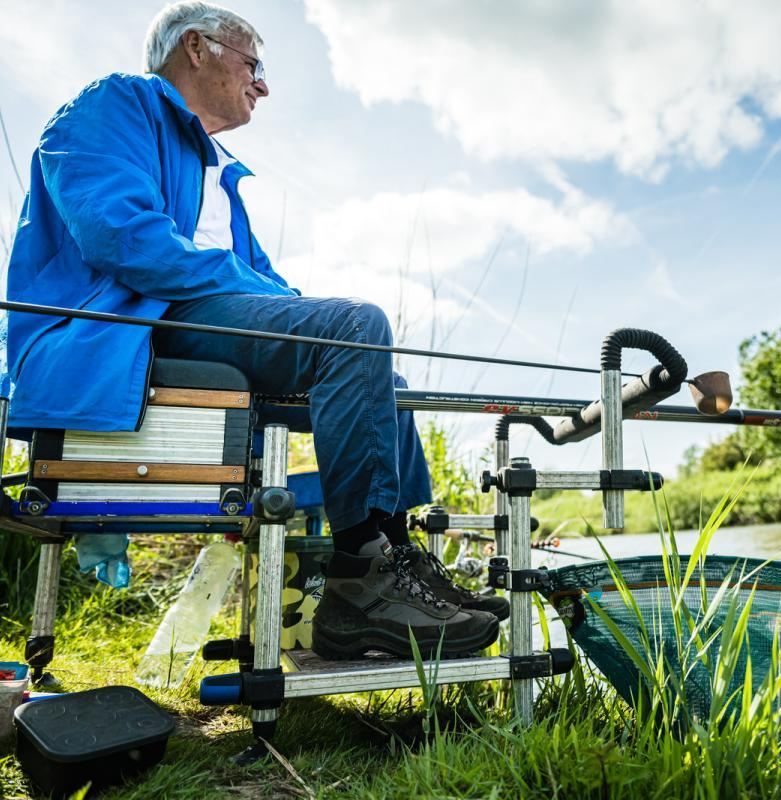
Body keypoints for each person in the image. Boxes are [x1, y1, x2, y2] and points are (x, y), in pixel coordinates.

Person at [4, 1, 507, 659]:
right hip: (126, 329)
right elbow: (121, 237)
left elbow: (263, 284)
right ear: (195, 49)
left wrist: (308, 314)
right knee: (354, 330)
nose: (263, 83)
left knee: (380, 371)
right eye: (253, 62)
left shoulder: (220, 174)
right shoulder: (114, 105)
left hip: (196, 321)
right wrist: (318, 318)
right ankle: (364, 582)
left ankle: (396, 557)